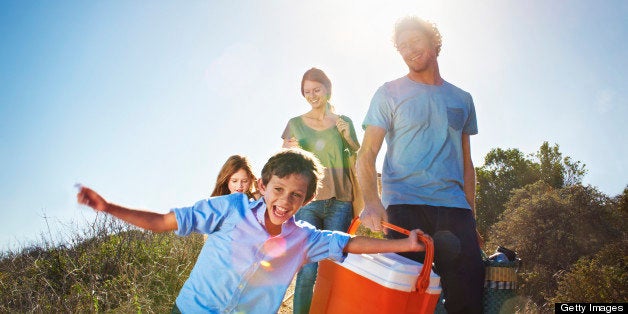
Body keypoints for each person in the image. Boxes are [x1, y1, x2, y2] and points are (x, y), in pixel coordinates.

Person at [77, 148, 426, 313]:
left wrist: (405, 244)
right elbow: (163, 223)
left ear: (307, 199)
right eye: (278, 190)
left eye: (295, 196)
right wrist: (108, 207)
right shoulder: (231, 209)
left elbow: (347, 244)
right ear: (262, 185)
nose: (284, 201)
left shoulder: (304, 238)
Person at [357, 16, 484, 313]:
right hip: (405, 205)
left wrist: (473, 219)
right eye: (402, 47)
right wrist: (373, 203)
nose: (409, 50)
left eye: (415, 41)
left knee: (468, 294)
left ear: (434, 42)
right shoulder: (389, 92)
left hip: (455, 209)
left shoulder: (462, 99)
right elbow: (365, 155)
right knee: (408, 299)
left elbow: (467, 165)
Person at [281, 67, 360, 313]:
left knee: (332, 266)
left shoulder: (343, 122)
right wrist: (288, 150)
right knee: (307, 268)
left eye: (317, 90)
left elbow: (358, 155)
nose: (312, 95)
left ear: (327, 89)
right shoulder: (295, 124)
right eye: (307, 92)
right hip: (309, 202)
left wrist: (349, 138)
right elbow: (284, 161)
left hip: (341, 199)